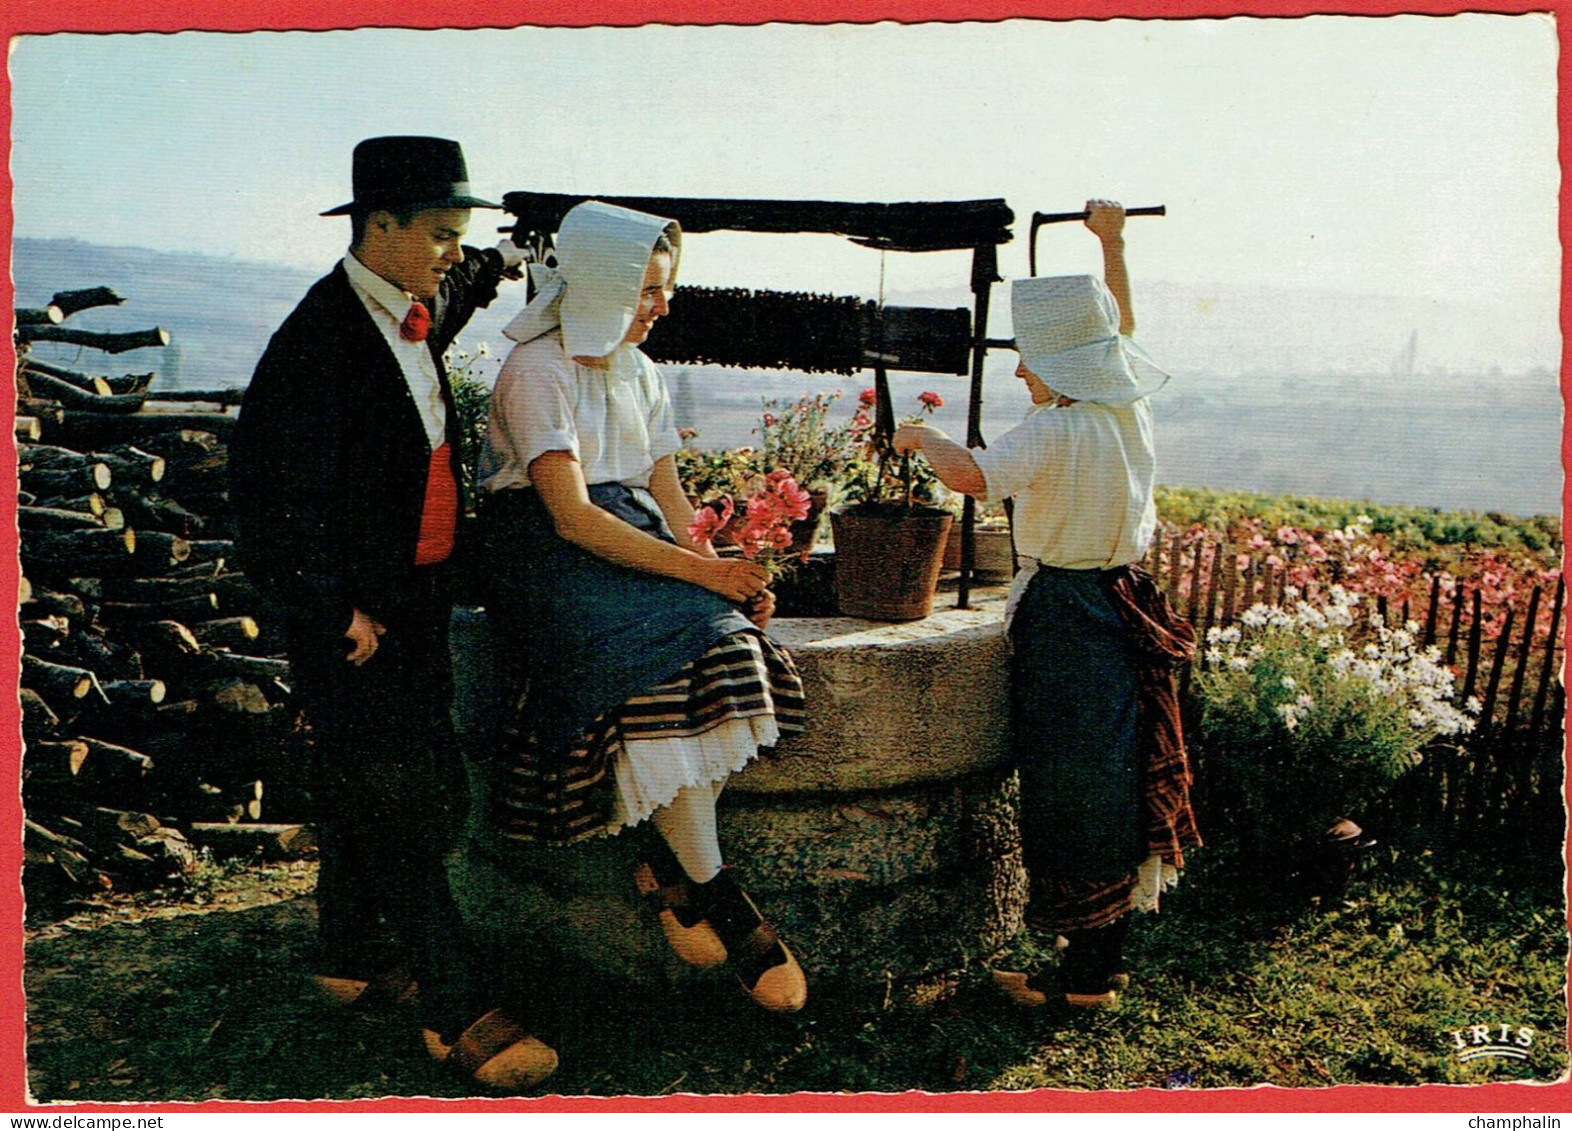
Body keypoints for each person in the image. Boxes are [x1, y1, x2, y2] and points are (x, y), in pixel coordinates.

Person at [230, 136, 559, 1090]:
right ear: (380, 228)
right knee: (407, 798)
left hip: (412, 600)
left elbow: (465, 285)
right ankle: (456, 1006)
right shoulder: (316, 343)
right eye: (443, 235)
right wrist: (336, 609)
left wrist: (508, 257)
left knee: (375, 777)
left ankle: (347, 952)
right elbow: (263, 497)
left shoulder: (416, 306)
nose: (455, 253)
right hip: (355, 617)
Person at [478, 199, 809, 1015]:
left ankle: (674, 874)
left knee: (731, 648)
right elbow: (571, 516)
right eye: (648, 291)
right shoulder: (538, 370)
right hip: (552, 558)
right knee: (653, 669)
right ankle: (722, 897)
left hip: (631, 539)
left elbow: (668, 496)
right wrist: (699, 581)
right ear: (597, 287)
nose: (663, 307)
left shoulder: (639, 369)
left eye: (665, 289)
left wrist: (721, 569)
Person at [892, 199, 1199, 1010]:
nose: (1021, 371)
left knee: (1072, 786)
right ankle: (1103, 955)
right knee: (1116, 775)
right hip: (1125, 596)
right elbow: (1118, 327)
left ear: (1063, 363)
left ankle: (1083, 978)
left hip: (1068, 610)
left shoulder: (1052, 432)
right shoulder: (1124, 408)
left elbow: (972, 477)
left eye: (1029, 358)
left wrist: (920, 442)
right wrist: (1113, 244)